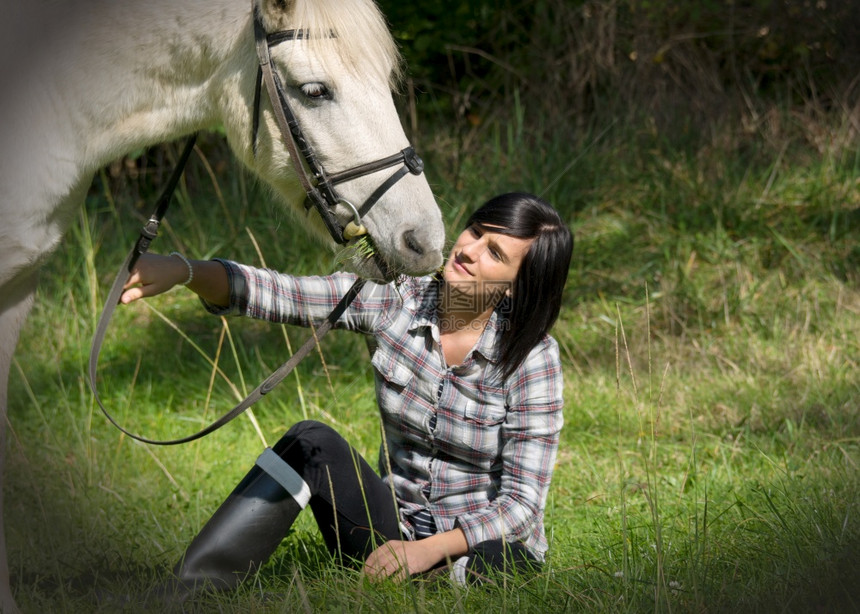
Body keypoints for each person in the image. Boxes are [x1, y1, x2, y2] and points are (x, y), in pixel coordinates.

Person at [121, 192, 573, 601]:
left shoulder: (532, 358)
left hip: (480, 549)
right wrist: (184, 270)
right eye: (475, 231)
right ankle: (182, 593)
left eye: (494, 253)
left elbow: (521, 505)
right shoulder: (398, 299)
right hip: (395, 533)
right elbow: (285, 294)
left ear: (516, 285)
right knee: (311, 441)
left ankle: (436, 581)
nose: (469, 251)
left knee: (501, 569)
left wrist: (430, 552)